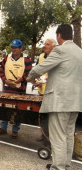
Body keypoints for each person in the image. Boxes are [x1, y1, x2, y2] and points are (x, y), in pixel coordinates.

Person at [27, 24, 82, 170]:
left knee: (58, 136)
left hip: (60, 101)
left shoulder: (60, 49)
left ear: (59, 35)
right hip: (76, 102)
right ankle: (67, 166)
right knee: (69, 135)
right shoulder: (79, 51)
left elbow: (41, 68)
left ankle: (58, 167)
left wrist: (30, 77)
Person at [0, 39, 32, 139]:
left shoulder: (26, 59)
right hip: (7, 89)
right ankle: (3, 128)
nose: (13, 49)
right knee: (5, 108)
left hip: (20, 90)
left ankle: (15, 130)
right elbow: (1, 70)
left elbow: (30, 74)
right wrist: (5, 80)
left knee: (18, 110)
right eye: (12, 47)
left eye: (16, 47)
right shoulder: (7, 58)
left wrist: (22, 79)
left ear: (21, 48)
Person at [33, 39, 56, 143]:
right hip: (41, 91)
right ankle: (44, 135)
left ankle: (50, 139)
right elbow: (37, 70)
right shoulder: (41, 56)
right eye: (44, 44)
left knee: (51, 117)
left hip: (52, 91)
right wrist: (37, 80)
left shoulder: (56, 57)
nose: (44, 46)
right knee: (42, 115)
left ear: (53, 46)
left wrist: (45, 79)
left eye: (47, 44)